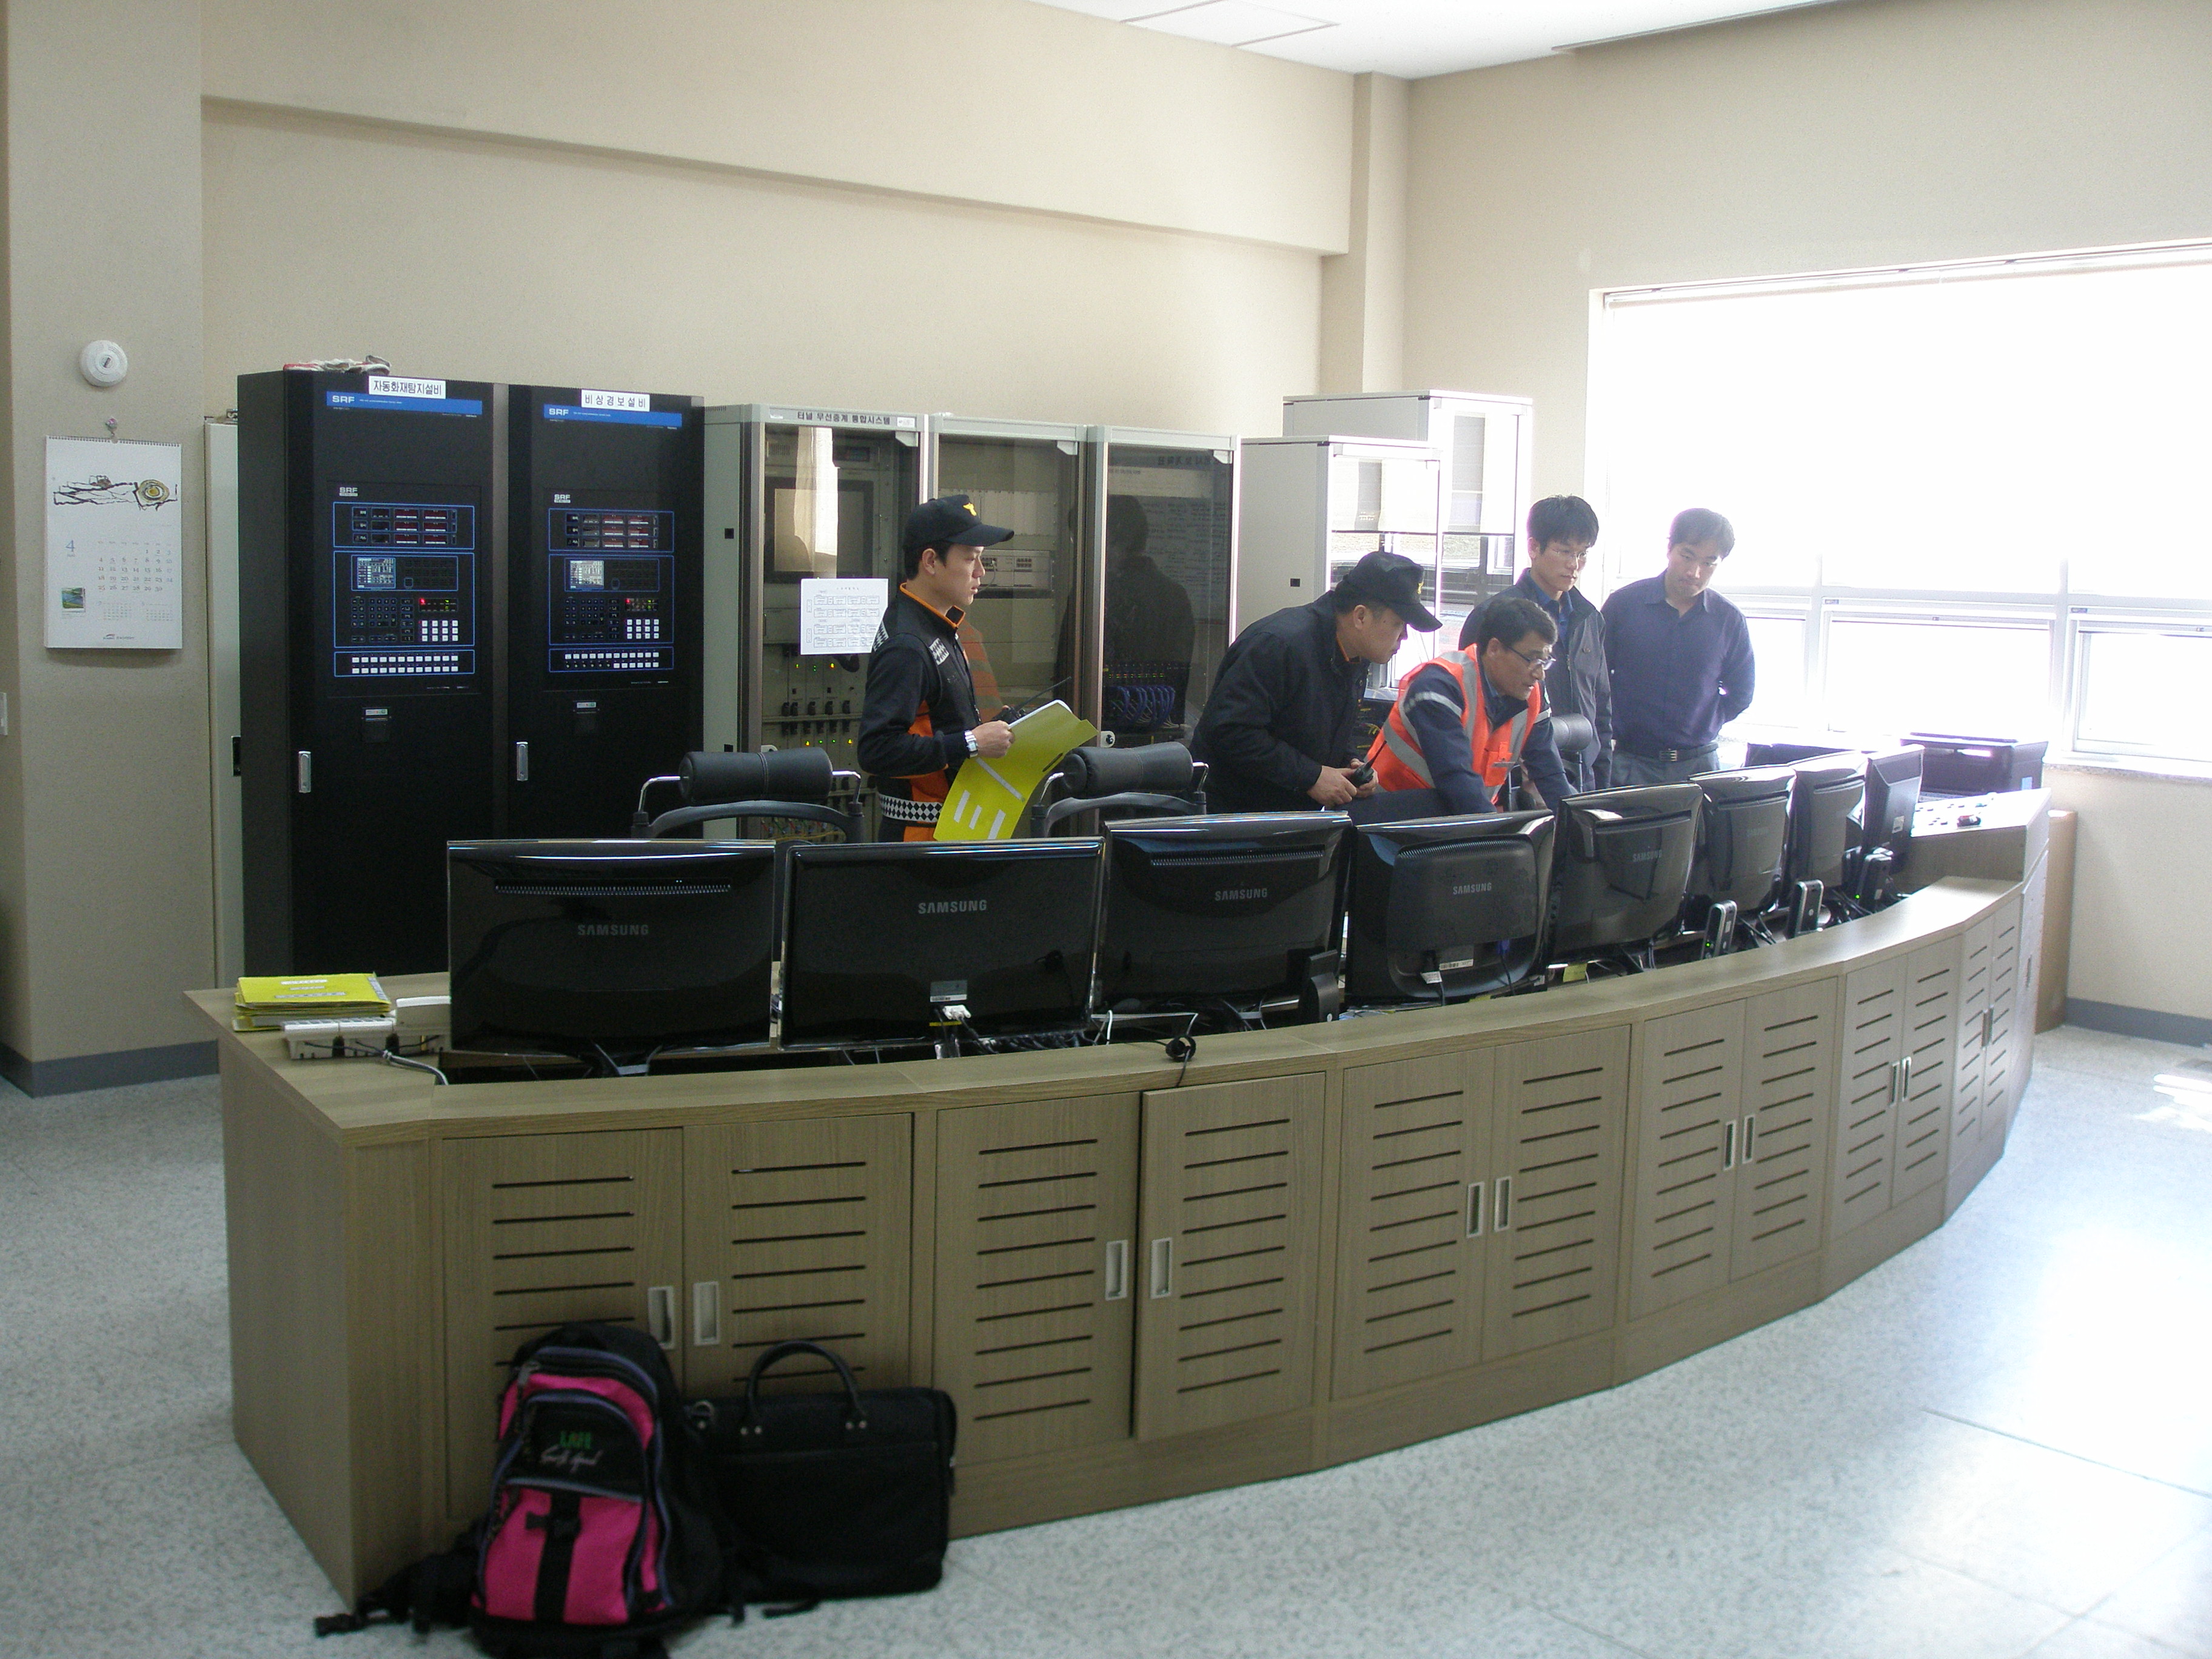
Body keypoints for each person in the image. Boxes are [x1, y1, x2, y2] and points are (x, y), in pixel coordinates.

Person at [1191, 549, 1438, 814]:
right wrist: (1310, 776)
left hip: (1289, 812)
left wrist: (1350, 763)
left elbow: (1317, 730)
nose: (1404, 637)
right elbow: (1229, 732)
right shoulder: (1279, 645)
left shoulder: (1354, 653)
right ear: (1361, 617)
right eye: (1399, 624)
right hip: (1229, 815)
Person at [856, 495, 1017, 840]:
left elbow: (937, 721)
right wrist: (971, 742)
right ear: (930, 561)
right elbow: (877, 750)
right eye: (970, 558)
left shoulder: (933, 623)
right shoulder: (908, 644)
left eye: (982, 559)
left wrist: (985, 732)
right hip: (921, 841)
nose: (980, 572)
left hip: (952, 829)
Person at [1365, 594, 1575, 816]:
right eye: (1533, 660)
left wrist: (1578, 824)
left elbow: (1550, 773)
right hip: (1390, 818)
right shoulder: (1439, 687)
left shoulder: (1530, 693)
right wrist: (1498, 832)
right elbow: (1457, 779)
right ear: (1494, 649)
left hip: (1453, 819)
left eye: (1545, 662)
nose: (1540, 674)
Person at [1601, 507, 1756, 786]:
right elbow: (1596, 678)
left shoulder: (1728, 619)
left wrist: (1705, 721)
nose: (1694, 572)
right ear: (1669, 549)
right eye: (1687, 556)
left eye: (1709, 563)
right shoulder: (1624, 606)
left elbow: (1742, 693)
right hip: (1631, 762)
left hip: (1699, 765)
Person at [1507, 495, 1612, 792]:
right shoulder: (1500, 616)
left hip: (1584, 774)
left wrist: (1602, 781)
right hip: (1524, 778)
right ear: (1534, 548)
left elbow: (1601, 706)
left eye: (1582, 554)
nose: (1574, 565)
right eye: (1564, 551)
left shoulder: (1589, 618)